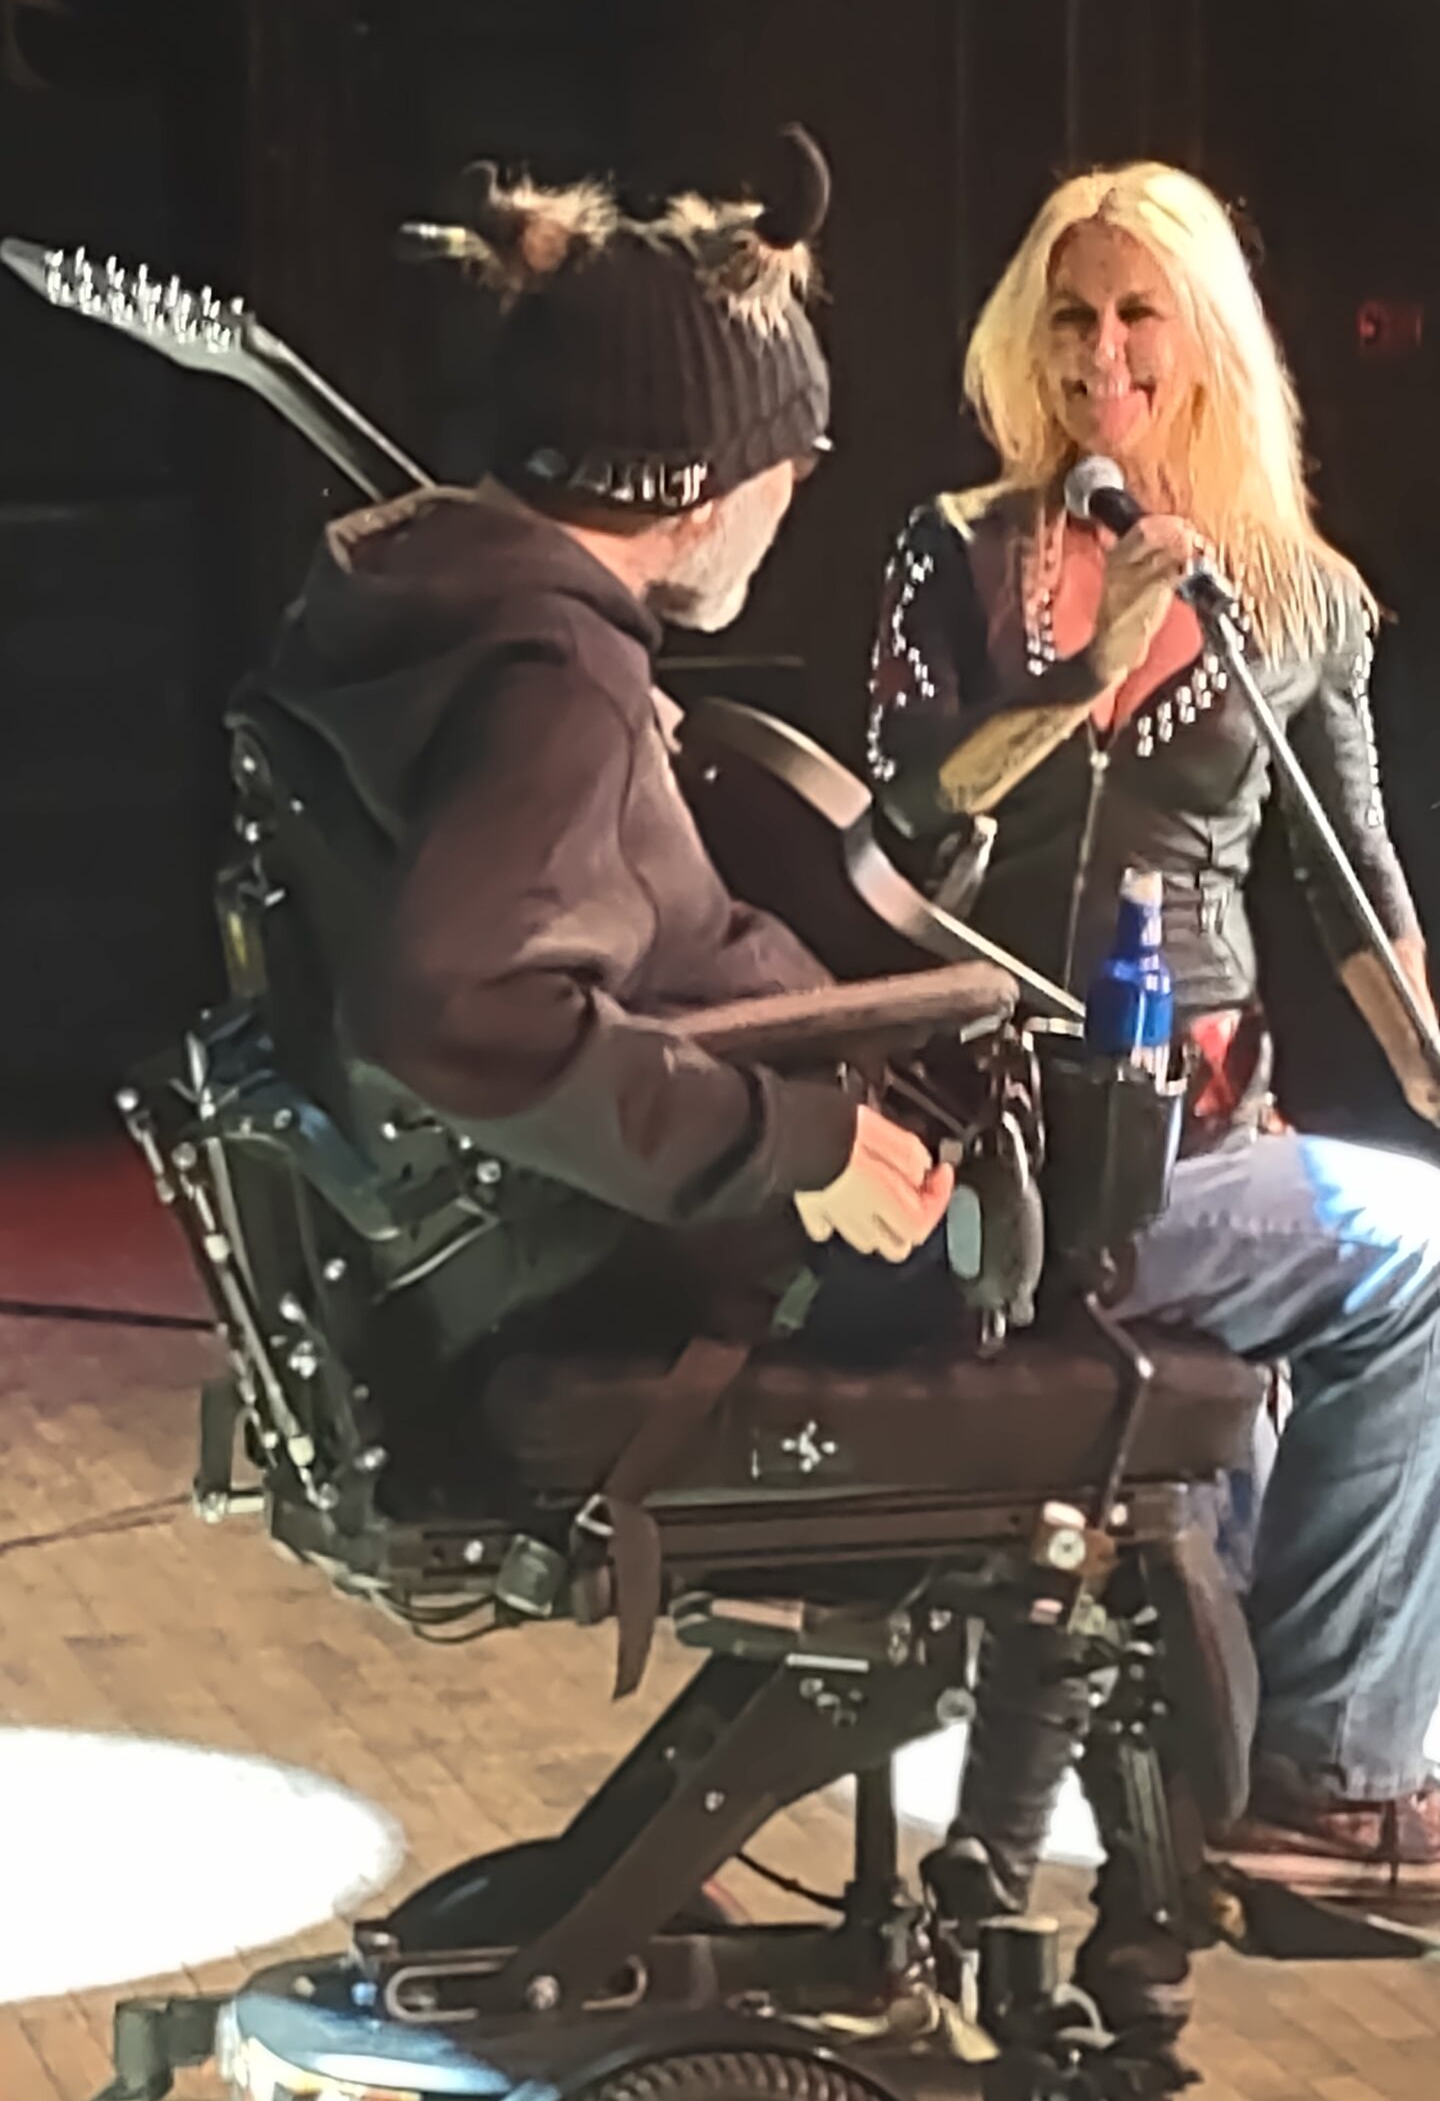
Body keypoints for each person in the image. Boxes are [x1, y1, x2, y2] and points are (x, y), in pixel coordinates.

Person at [869, 160, 1440, 1879]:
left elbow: (1352, 884)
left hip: (1202, 1134)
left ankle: (1234, 1780)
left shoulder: (1300, 595)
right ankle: (1336, 1771)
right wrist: (1086, 666)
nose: (1100, 352)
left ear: (1206, 343)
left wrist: (1428, 1065)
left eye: (1138, 315)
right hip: (1000, 1143)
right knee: (1420, 1262)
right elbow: (908, 820)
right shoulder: (953, 552)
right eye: (1071, 316)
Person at [257, 129, 955, 1382]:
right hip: (713, 1257)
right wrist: (800, 1142)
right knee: (1330, 1262)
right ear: (698, 491)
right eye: (791, 466)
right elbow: (451, 1004)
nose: (793, 499)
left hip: (605, 1217)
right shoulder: (556, 685)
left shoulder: (407, 606)